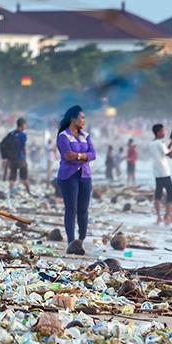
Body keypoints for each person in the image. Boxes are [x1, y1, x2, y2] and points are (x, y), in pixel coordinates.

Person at [55, 105, 96, 252]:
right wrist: (84, 156)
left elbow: (93, 154)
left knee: (83, 210)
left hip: (85, 175)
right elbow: (67, 156)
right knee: (71, 209)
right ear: (73, 119)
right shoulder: (63, 136)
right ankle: (71, 242)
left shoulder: (86, 135)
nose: (84, 120)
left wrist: (78, 156)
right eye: (82, 117)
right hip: (68, 176)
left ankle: (81, 239)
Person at [149, 124, 172, 225]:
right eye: (162, 131)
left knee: (158, 195)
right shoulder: (160, 143)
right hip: (164, 171)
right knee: (170, 194)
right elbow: (170, 155)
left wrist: (171, 143)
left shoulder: (153, 143)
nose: (164, 133)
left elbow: (165, 150)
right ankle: (168, 215)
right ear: (158, 132)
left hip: (157, 172)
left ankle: (159, 217)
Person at [2, 117, 31, 195]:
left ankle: (11, 192)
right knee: (24, 177)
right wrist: (25, 158)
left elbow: (3, 144)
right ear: (22, 125)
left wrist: (6, 157)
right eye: (25, 124)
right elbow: (23, 147)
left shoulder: (11, 134)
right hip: (20, 158)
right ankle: (29, 192)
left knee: (12, 177)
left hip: (12, 159)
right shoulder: (23, 135)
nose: (25, 126)